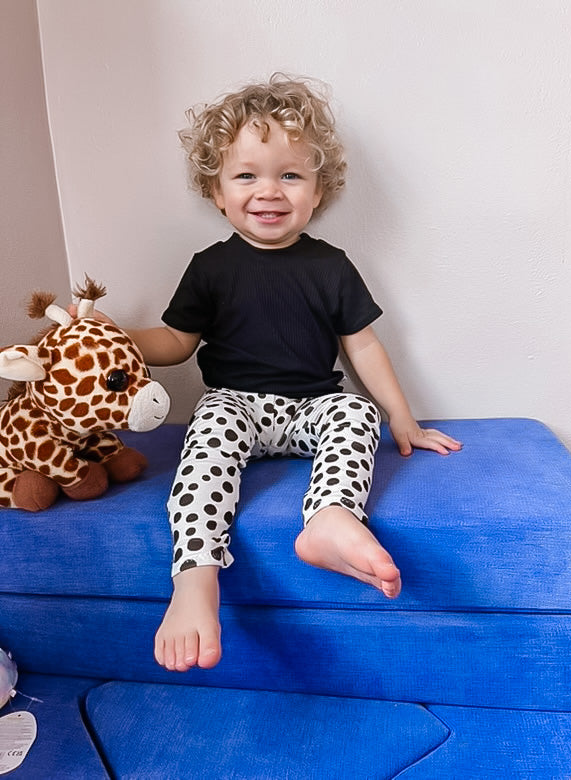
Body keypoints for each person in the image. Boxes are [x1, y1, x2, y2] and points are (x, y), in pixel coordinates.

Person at [91, 74, 461, 673]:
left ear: (318, 192)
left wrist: (402, 416)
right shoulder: (210, 267)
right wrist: (111, 338)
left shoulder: (330, 265)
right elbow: (177, 343)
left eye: (290, 175)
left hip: (312, 404)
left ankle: (331, 519)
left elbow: (362, 347)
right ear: (217, 191)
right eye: (246, 175)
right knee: (203, 447)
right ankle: (195, 582)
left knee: (355, 413)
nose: (269, 191)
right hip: (233, 403)